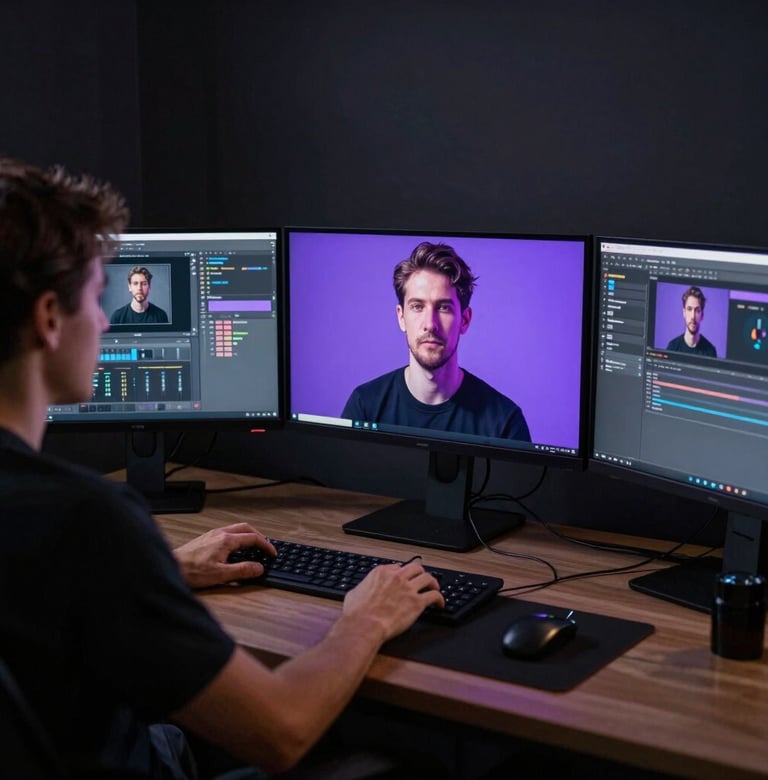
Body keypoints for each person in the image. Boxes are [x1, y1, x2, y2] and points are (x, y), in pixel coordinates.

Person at [0, 156, 445, 779]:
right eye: (95, 297)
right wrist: (366, 620)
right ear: (50, 319)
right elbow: (282, 729)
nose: (103, 319)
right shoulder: (86, 520)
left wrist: (161, 573)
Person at [342, 241, 531, 441]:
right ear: (401, 317)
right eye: (417, 306)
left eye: (443, 308)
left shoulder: (504, 423)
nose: (430, 324)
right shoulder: (364, 407)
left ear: (464, 320)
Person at [666, 285, 717, 357]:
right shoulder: (672, 348)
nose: (693, 316)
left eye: (697, 310)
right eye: (689, 309)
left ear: (702, 315)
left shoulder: (710, 352)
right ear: (684, 313)